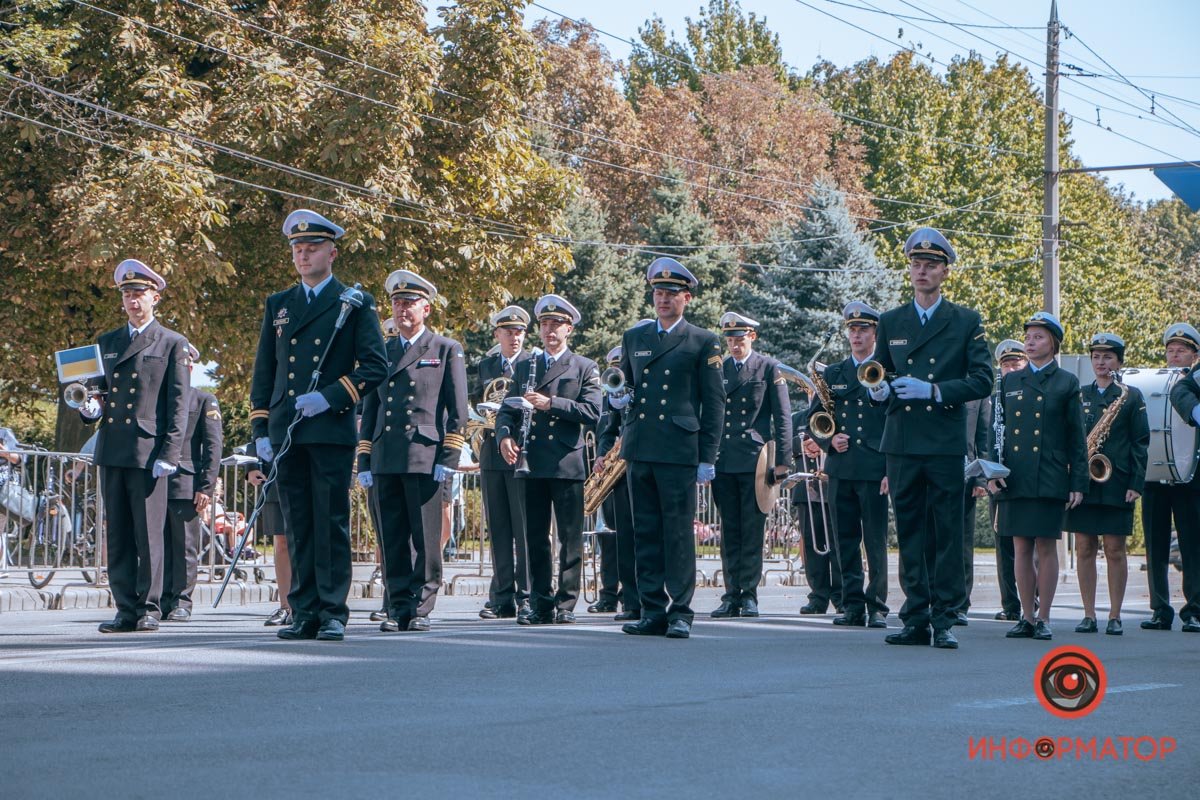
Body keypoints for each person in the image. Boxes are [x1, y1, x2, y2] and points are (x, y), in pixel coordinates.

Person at [250, 209, 388, 642]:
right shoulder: (280, 304)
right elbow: (265, 372)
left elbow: (374, 366)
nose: (303, 255)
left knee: (329, 520)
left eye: (311, 248)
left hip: (329, 427)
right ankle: (302, 609)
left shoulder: (354, 302)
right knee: (297, 522)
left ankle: (332, 610)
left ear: (332, 251)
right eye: (297, 249)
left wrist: (329, 397)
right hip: (288, 429)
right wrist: (260, 430)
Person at [867, 228, 992, 650]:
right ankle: (916, 616)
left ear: (944, 271)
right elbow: (879, 371)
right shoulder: (891, 320)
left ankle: (945, 617)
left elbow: (982, 380)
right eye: (916, 265)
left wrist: (935, 391)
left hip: (942, 439)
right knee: (910, 531)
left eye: (930, 265)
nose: (921, 272)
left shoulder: (965, 321)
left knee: (946, 532)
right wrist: (878, 390)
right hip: (902, 439)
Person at [612, 258, 725, 639]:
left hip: (678, 449)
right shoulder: (635, 338)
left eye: (671, 294)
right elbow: (624, 384)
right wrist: (616, 400)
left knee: (677, 533)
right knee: (644, 532)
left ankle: (681, 610)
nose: (662, 300)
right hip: (641, 445)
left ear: (686, 298)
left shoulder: (702, 340)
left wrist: (707, 456)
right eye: (658, 293)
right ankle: (651, 609)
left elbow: (715, 402)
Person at [79, 259, 189, 633]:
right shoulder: (108, 341)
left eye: (139, 294)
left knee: (147, 534)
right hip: (114, 448)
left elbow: (177, 405)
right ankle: (125, 607)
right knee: (120, 533)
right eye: (127, 295)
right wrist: (91, 407)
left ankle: (148, 608)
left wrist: (170, 454)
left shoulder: (172, 342)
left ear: (155, 297)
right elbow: (97, 390)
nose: (132, 301)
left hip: (148, 452)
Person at [357, 270, 468, 633]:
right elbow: (370, 410)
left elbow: (458, 411)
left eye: (409, 303)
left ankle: (420, 606)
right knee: (391, 536)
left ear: (427, 309)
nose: (402, 309)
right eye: (397, 303)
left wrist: (448, 459)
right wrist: (364, 458)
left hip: (424, 456)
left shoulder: (444, 349)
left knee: (424, 538)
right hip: (386, 455)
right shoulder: (382, 351)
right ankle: (396, 605)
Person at [496, 294, 601, 625]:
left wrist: (551, 403)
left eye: (556, 324)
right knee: (536, 538)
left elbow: (593, 411)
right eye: (544, 324)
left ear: (569, 329)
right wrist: (504, 436)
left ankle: (566, 604)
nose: (549, 330)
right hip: (532, 461)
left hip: (566, 462)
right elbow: (507, 409)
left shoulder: (584, 366)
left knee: (570, 539)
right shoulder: (527, 365)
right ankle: (540, 602)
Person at [988, 312, 1087, 642]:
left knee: (1045, 547)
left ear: (1053, 343)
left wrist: (1078, 482)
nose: (1031, 342)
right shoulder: (1010, 381)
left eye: (1039, 337)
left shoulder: (1066, 383)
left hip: (1049, 475)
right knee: (1019, 547)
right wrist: (991, 471)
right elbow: (996, 431)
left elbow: (1076, 438)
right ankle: (1026, 617)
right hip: (1015, 475)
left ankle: (1043, 617)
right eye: (1029, 336)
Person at [1065, 333, 1149, 636]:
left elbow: (1141, 443)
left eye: (1108, 357)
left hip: (1118, 481)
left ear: (1119, 362)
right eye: (1096, 357)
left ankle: (1115, 615)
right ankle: (1089, 615)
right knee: (1085, 547)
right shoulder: (1079, 394)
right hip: (1085, 482)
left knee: (1115, 549)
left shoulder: (1131, 395)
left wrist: (1136, 482)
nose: (1101, 362)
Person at [709, 312, 791, 619]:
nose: (734, 346)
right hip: (724, 459)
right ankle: (731, 594)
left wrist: (783, 461)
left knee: (752, 529)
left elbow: (782, 417)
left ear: (751, 338)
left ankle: (749, 594)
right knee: (729, 530)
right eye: (729, 340)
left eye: (739, 340)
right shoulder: (720, 369)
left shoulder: (767, 367)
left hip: (756, 460)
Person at [812, 302, 889, 628]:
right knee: (844, 540)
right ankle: (852, 604)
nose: (857, 335)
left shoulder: (885, 370)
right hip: (842, 466)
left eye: (864, 329)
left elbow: (895, 421)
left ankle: (878, 606)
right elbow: (815, 419)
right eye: (852, 329)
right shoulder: (834, 373)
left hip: (874, 467)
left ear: (874, 333)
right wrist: (829, 441)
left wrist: (890, 468)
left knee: (875, 541)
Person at [475, 306, 533, 620]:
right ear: (497, 334)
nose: (515, 337)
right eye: (508, 332)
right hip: (491, 452)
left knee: (523, 528)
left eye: (519, 332)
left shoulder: (532, 363)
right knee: (498, 527)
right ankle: (500, 596)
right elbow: (474, 400)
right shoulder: (486, 365)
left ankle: (526, 595)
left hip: (523, 452)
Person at [1142, 323, 1200, 632]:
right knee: (1155, 545)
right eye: (1170, 350)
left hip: (1190, 476)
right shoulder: (1154, 382)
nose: (1174, 355)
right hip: (1155, 476)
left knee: (1192, 545)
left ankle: (1194, 609)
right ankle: (1159, 610)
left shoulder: (1195, 381)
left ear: (1194, 355)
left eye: (1181, 351)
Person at [160, 344, 222, 622]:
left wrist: (206, 486)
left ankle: (182, 601)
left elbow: (213, 447)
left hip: (186, 483)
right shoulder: (158, 399)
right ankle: (160, 598)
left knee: (185, 547)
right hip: (157, 483)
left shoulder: (203, 401)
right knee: (157, 547)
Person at [593, 343, 642, 621]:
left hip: (643, 463)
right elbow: (607, 430)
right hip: (619, 473)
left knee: (645, 536)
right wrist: (602, 455)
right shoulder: (611, 395)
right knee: (622, 537)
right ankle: (630, 601)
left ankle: (647, 597)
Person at [1164, 323, 1200, 633]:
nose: (1175, 355)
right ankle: (1193, 608)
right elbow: (1182, 389)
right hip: (1186, 472)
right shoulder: (1194, 375)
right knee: (1193, 542)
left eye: (1182, 350)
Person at [990, 339, 1027, 621]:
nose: (1010, 368)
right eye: (1005, 364)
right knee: (1004, 546)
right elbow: (988, 437)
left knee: (1031, 544)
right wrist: (989, 476)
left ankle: (1033, 603)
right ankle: (1011, 605)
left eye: (1016, 362)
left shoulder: (1035, 395)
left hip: (1028, 478)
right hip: (999, 480)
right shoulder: (994, 398)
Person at [794, 418, 840, 615]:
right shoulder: (799, 416)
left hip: (833, 485)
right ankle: (818, 596)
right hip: (807, 488)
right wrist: (803, 445)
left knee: (838, 544)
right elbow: (784, 442)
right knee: (813, 544)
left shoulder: (835, 412)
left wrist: (821, 444)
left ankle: (842, 595)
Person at [245, 440, 292, 626]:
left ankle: (309, 605)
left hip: (309, 469)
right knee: (281, 541)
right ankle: (286, 605)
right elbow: (259, 425)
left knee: (309, 541)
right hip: (275, 472)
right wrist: (252, 465)